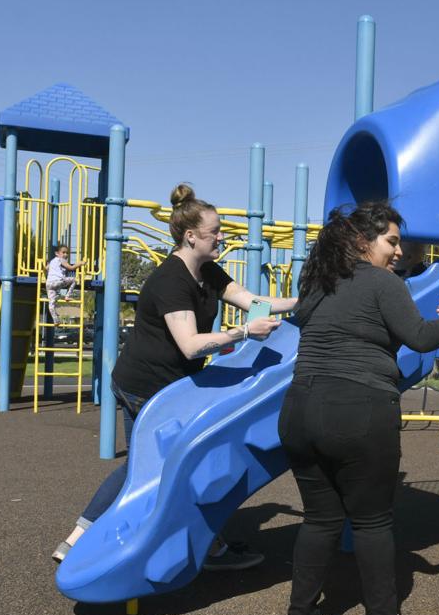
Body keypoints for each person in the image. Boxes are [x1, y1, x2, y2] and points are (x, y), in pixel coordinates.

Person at [52, 184, 295, 566]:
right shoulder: (171, 280)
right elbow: (190, 344)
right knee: (162, 467)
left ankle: (85, 539)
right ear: (191, 236)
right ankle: (93, 539)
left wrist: (307, 300)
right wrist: (244, 332)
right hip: (145, 387)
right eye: (215, 231)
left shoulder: (209, 272)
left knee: (154, 467)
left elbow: (256, 302)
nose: (222, 236)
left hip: (166, 386)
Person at [278, 201, 439, 615]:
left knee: (320, 519)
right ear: (364, 242)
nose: (399, 251)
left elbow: (307, 320)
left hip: (300, 408)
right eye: (392, 241)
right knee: (371, 521)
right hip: (358, 409)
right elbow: (421, 338)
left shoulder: (318, 282)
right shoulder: (382, 283)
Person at [45, 244, 86, 323]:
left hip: (49, 284)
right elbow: (71, 268)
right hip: (58, 281)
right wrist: (80, 263)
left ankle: (56, 320)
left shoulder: (52, 261)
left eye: (67, 253)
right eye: (63, 252)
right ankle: (67, 296)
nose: (65, 255)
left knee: (52, 302)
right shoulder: (61, 260)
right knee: (74, 280)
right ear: (57, 253)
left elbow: (46, 268)